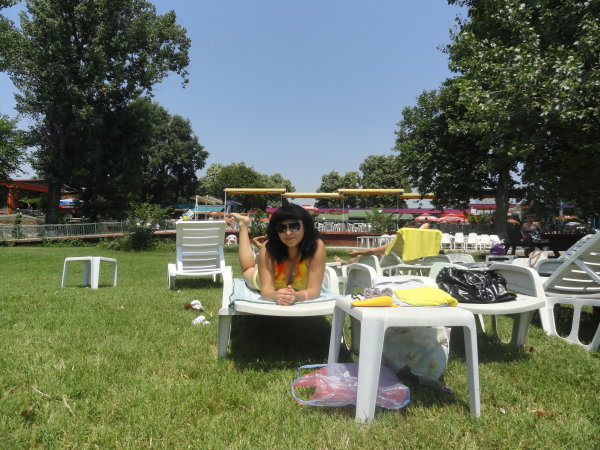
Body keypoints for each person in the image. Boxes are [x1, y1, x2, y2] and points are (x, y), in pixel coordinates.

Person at [230, 204, 326, 306]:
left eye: (294, 226)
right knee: (247, 270)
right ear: (276, 230)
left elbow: (315, 291)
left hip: (274, 273)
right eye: (282, 228)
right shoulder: (268, 247)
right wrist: (276, 296)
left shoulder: (316, 247)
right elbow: (266, 292)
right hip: (261, 278)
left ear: (305, 227)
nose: (288, 232)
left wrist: (296, 296)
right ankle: (243, 224)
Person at [334, 223, 431, 265]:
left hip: (389, 263)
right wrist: (417, 232)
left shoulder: (398, 242)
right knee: (376, 254)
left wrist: (357, 252)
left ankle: (345, 263)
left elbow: (373, 251)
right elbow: (426, 225)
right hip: (406, 261)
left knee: (364, 256)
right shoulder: (415, 243)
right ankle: (345, 262)